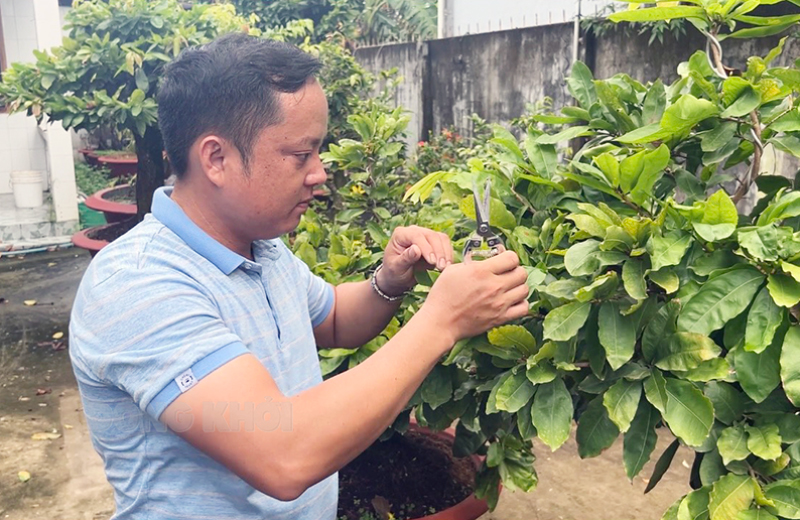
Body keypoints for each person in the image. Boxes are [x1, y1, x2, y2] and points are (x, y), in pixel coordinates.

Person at [69, 33, 529, 520]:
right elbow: (284, 453)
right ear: (216, 158)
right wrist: (443, 320)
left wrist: (390, 280)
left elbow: (332, 319)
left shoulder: (261, 246)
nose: (320, 172)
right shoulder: (138, 286)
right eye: (300, 155)